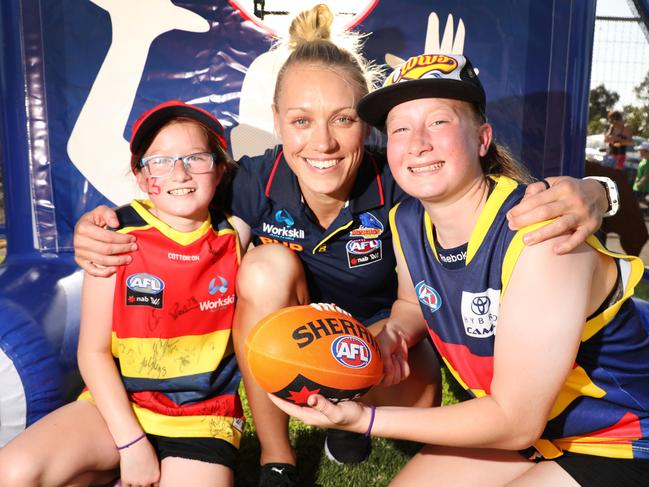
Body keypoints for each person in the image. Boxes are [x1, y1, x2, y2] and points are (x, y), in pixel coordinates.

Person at [72, 5, 614, 486]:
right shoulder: (253, 181)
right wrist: (101, 224)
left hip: (388, 352)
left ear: (366, 127)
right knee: (262, 267)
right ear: (278, 124)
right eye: (302, 121)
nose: (323, 142)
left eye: (344, 120)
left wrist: (598, 190)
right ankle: (277, 460)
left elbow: (504, 200)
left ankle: (353, 418)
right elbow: (174, 207)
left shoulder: (406, 178)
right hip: (300, 339)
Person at [269, 52, 649, 486]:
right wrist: (396, 332)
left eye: (439, 122)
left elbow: (513, 420)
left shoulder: (538, 235)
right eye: (400, 128)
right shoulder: (406, 220)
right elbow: (412, 301)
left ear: (482, 138)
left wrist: (364, 419)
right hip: (538, 435)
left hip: (624, 437)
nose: (418, 143)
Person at [0, 101, 245, 486]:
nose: (179, 172)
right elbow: (93, 352)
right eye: (159, 161)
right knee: (13, 472)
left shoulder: (236, 236)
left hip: (202, 417)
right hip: (118, 406)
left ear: (218, 169)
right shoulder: (114, 241)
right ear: (142, 176)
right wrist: (131, 444)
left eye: (195, 157)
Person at [633, 140, 649, 207]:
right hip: (637, 187)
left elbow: (646, 176)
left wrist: (639, 185)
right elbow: (639, 174)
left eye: (640, 150)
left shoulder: (648, 162)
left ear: (646, 151)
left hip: (643, 189)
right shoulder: (643, 160)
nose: (639, 152)